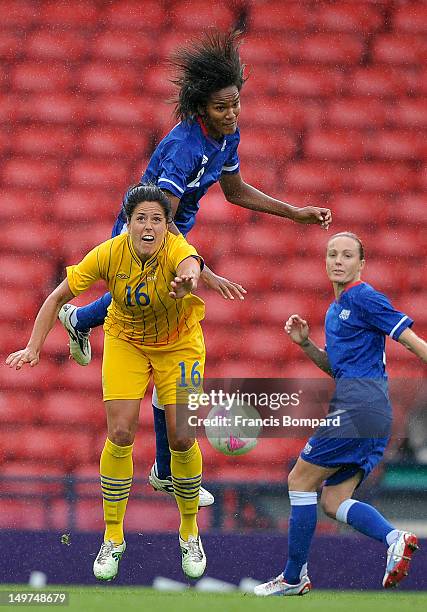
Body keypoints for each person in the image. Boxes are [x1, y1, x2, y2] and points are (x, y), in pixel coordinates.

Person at [58, 30, 332, 506]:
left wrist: (293, 212)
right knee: (160, 319)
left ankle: (81, 320)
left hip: (175, 234)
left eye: (236, 104)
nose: (232, 113)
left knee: (167, 330)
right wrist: (197, 268)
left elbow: (236, 190)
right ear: (202, 107)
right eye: (223, 106)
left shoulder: (227, 137)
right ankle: (165, 468)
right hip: (143, 234)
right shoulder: (186, 145)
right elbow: (157, 223)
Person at [6, 184, 208, 582]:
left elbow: (192, 266)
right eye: (140, 219)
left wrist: (189, 281)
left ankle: (189, 531)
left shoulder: (177, 250)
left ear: (168, 227)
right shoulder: (107, 253)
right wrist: (33, 347)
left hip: (180, 345)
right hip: (126, 341)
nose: (149, 226)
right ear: (127, 224)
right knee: (119, 432)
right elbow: (56, 297)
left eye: (157, 219)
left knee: (182, 437)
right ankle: (113, 537)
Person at [255, 232, 426, 596]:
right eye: (332, 254)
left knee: (299, 481)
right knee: (333, 502)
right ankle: (395, 538)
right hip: (370, 411)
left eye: (347, 255)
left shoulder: (364, 296)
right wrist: (306, 345)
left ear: (361, 264)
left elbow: (410, 340)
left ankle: (293, 577)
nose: (338, 260)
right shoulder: (336, 310)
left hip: (359, 407)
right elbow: (338, 369)